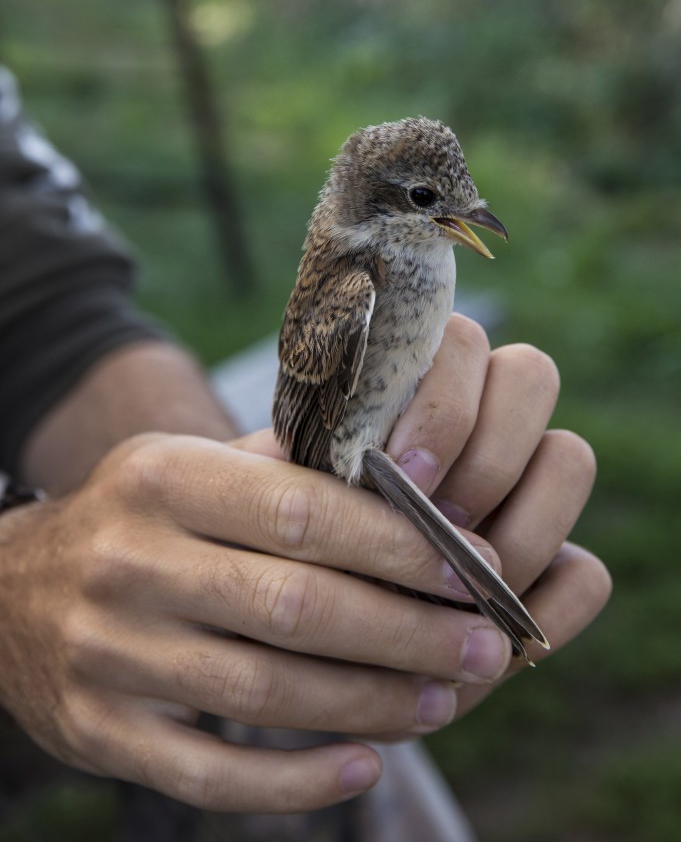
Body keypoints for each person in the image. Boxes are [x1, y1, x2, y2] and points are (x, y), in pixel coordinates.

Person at [0, 66, 611, 838]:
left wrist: (229, 553)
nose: (468, 218)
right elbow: (315, 431)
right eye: (429, 203)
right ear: (378, 205)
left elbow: (47, 310)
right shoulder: (353, 283)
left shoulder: (417, 261)